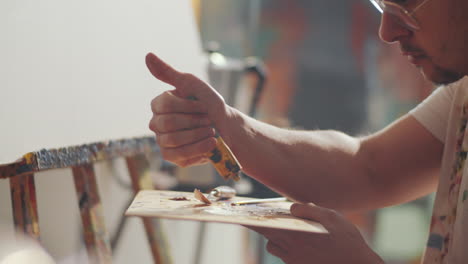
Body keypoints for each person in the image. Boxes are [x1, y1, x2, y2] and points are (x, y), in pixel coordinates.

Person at [146, 0, 468, 262]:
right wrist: (228, 125)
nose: (387, 31)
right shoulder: (462, 91)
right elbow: (368, 166)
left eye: (405, 5)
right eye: (382, 7)